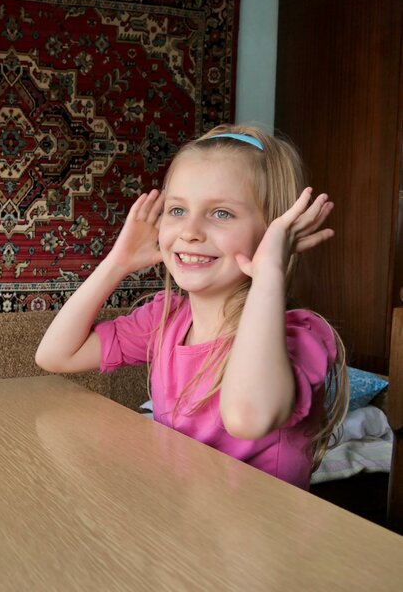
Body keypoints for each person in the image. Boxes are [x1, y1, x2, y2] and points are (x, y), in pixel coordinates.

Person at [35, 124, 349, 489]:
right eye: (177, 210)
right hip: (186, 525)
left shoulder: (297, 337)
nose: (190, 231)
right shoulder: (164, 319)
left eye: (222, 214)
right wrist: (117, 262)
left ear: (273, 233)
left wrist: (269, 272)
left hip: (263, 537)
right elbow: (55, 355)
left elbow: (247, 418)